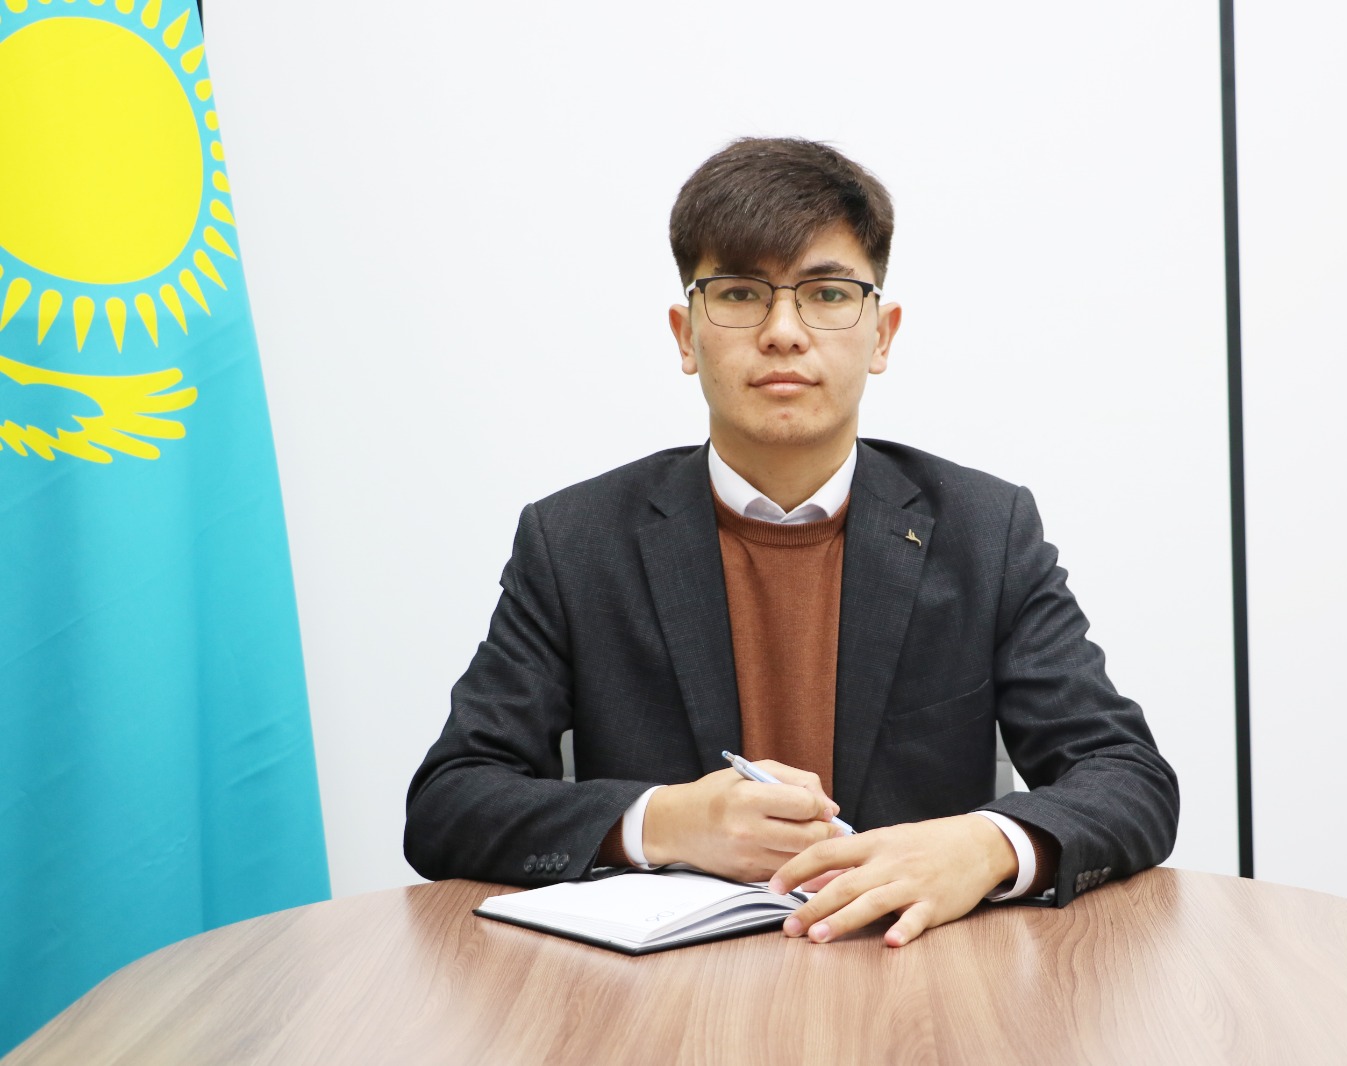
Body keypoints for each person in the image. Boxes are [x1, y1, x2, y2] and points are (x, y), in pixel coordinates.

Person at [405, 137, 1178, 947]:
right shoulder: (575, 542)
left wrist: (982, 846)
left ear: (882, 334)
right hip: (665, 994)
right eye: (740, 293)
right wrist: (662, 821)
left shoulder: (986, 532)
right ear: (684, 335)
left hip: (915, 977)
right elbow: (449, 801)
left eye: (828, 293)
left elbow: (1129, 776)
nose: (782, 331)